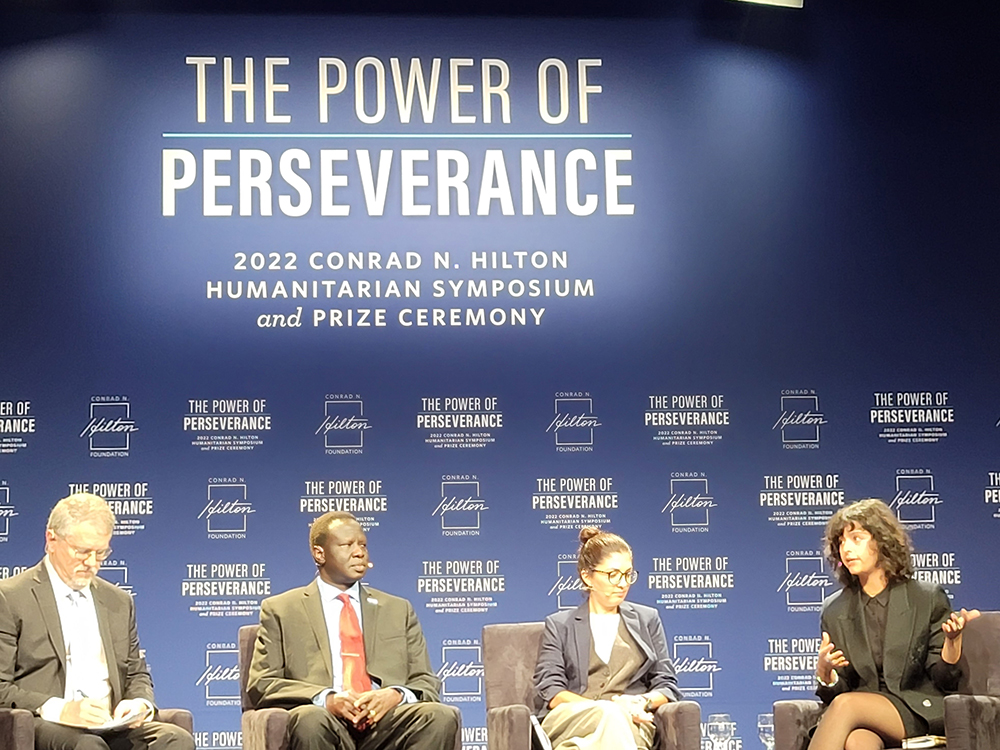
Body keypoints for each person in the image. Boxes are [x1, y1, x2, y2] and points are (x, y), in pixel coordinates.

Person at [246, 511, 458, 750]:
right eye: (347, 545)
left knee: (439, 717)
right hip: (324, 719)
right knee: (310, 719)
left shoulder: (398, 609)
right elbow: (262, 683)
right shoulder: (282, 609)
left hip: (386, 723)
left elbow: (426, 681)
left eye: (363, 545)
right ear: (319, 553)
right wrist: (326, 698)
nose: (359, 552)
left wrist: (396, 694)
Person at [0, 492, 194, 750]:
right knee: (88, 746)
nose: (91, 563)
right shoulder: (10, 597)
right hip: (45, 723)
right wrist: (62, 709)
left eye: (100, 553)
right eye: (82, 551)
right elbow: (2, 688)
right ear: (51, 540)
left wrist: (138, 703)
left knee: (175, 740)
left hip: (109, 723)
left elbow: (136, 672)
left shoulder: (119, 601)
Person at [809, 498, 980, 750]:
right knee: (857, 742)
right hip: (861, 712)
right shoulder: (834, 610)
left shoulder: (926, 597)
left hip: (914, 708)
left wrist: (952, 643)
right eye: (841, 542)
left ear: (882, 542)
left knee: (847, 705)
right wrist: (826, 675)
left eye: (856, 539)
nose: (846, 549)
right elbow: (838, 691)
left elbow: (945, 680)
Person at [532, 527, 682, 750]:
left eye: (628, 574)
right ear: (587, 576)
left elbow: (667, 684)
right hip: (575, 719)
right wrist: (608, 708)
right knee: (610, 715)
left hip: (631, 721)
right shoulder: (560, 624)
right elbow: (552, 692)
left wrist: (640, 702)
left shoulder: (647, 619)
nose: (622, 583)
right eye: (612, 574)